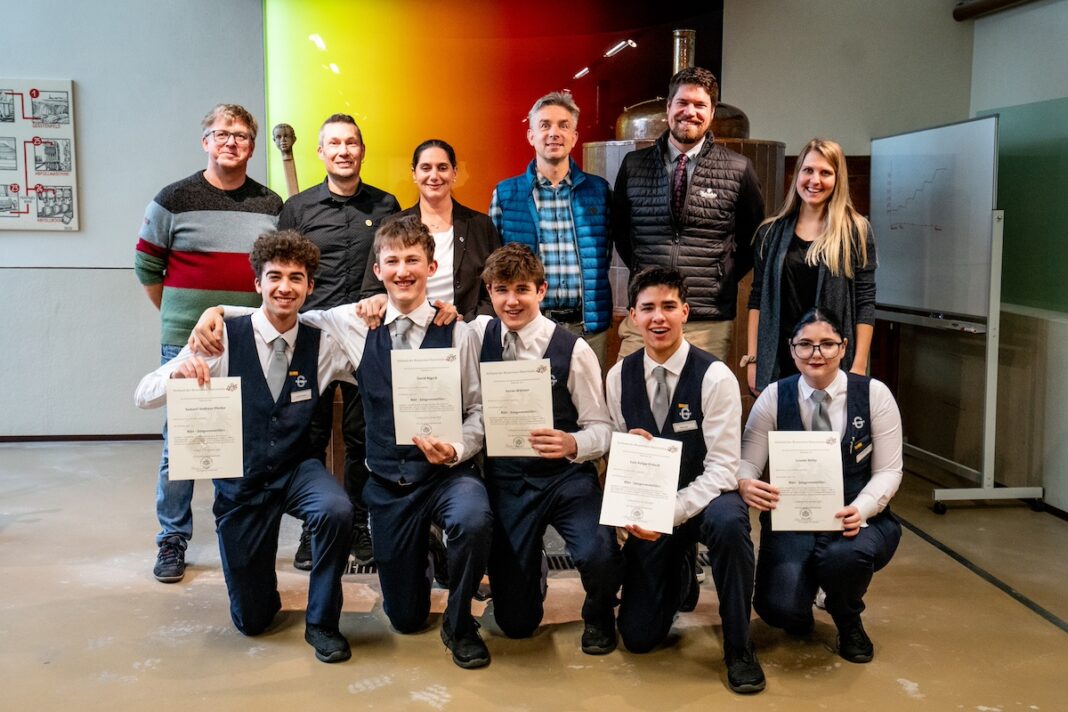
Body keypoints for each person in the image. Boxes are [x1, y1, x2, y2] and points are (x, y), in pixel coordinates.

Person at [191, 215, 494, 670]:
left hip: (448, 476)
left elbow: (479, 412)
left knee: (473, 518)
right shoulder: (350, 323)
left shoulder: (460, 331)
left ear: (432, 267)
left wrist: (459, 449)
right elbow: (279, 313)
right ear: (378, 270)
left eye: (414, 260)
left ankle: (460, 624)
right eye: (392, 261)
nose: (403, 270)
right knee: (406, 620)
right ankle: (420, 555)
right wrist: (215, 312)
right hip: (390, 484)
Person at [135, 231, 356, 664]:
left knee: (336, 509)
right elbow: (143, 393)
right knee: (252, 620)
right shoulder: (221, 339)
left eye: (297, 278)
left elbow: (376, 349)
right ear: (257, 283)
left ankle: (323, 621)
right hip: (242, 482)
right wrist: (175, 378)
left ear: (310, 286)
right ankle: (258, 595)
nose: (285, 287)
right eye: (274, 276)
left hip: (297, 470)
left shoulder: (324, 344)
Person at [134, 103, 283, 583]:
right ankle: (172, 538)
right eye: (222, 134)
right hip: (187, 341)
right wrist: (182, 317)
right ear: (205, 141)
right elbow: (147, 267)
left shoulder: (269, 204)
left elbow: (274, 271)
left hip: (247, 339)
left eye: (241, 135)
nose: (231, 142)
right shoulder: (174, 198)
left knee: (239, 440)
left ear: (251, 146)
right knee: (182, 442)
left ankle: (232, 527)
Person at [605, 266, 765, 694]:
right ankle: (678, 575)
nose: (659, 318)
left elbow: (724, 469)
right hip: (653, 508)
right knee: (638, 639)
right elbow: (621, 453)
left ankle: (738, 645)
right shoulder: (618, 376)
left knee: (732, 525)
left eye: (669, 307)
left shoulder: (715, 377)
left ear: (686, 312)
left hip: (706, 499)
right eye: (648, 308)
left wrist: (670, 513)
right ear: (633, 317)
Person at [469, 243, 622, 654]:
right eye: (501, 290)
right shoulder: (476, 335)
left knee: (600, 553)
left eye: (522, 289)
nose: (512, 300)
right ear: (489, 291)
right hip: (507, 480)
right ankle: (525, 574)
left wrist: (574, 442)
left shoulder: (574, 349)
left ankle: (600, 613)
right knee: (515, 624)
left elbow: (602, 428)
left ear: (542, 290)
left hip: (565, 478)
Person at [738, 307, 902, 664]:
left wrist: (861, 509)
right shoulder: (773, 397)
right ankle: (803, 588)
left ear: (844, 348)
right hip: (793, 522)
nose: (817, 354)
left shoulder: (874, 395)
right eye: (806, 345)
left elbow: (889, 471)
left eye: (827, 344)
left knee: (846, 558)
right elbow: (748, 460)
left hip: (857, 521)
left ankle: (847, 617)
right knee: (779, 611)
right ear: (791, 348)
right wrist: (745, 482)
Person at [278, 114, 401, 570]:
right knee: (308, 434)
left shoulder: (387, 204)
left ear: (362, 150)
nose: (344, 150)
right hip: (309, 339)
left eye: (351, 142)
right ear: (321, 152)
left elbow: (397, 262)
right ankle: (315, 527)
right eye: (334, 143)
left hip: (367, 338)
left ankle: (360, 524)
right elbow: (283, 270)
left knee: (362, 436)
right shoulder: (298, 208)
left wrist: (379, 298)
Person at [613, 67, 765, 362]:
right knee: (629, 397)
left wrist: (720, 276)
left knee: (700, 403)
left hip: (707, 318)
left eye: (700, 105)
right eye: (682, 103)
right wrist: (646, 274)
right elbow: (622, 234)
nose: (689, 112)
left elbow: (753, 239)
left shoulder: (739, 169)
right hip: (647, 312)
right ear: (668, 107)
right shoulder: (633, 166)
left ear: (711, 113)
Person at [489, 92, 613, 368]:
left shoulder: (599, 192)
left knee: (589, 408)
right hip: (530, 326)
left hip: (588, 327)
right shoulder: (507, 194)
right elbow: (495, 263)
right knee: (531, 409)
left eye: (563, 125)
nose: (554, 133)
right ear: (531, 136)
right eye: (544, 125)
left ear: (575, 137)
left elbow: (605, 254)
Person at [744, 138, 876, 393]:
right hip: (779, 362)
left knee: (830, 433)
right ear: (797, 175)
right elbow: (757, 299)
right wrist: (753, 359)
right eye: (808, 170)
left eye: (825, 172)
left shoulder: (856, 231)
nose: (815, 180)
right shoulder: (770, 233)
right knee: (781, 432)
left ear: (838, 179)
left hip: (832, 362)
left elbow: (865, 302)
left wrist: (858, 367)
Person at [360, 139, 500, 323]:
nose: (434, 176)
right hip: (406, 332)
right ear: (414, 173)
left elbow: (498, 287)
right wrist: (379, 300)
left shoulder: (481, 226)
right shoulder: (392, 224)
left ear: (454, 172)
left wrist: (466, 322)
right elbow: (372, 289)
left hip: (467, 333)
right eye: (426, 168)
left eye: (442, 168)